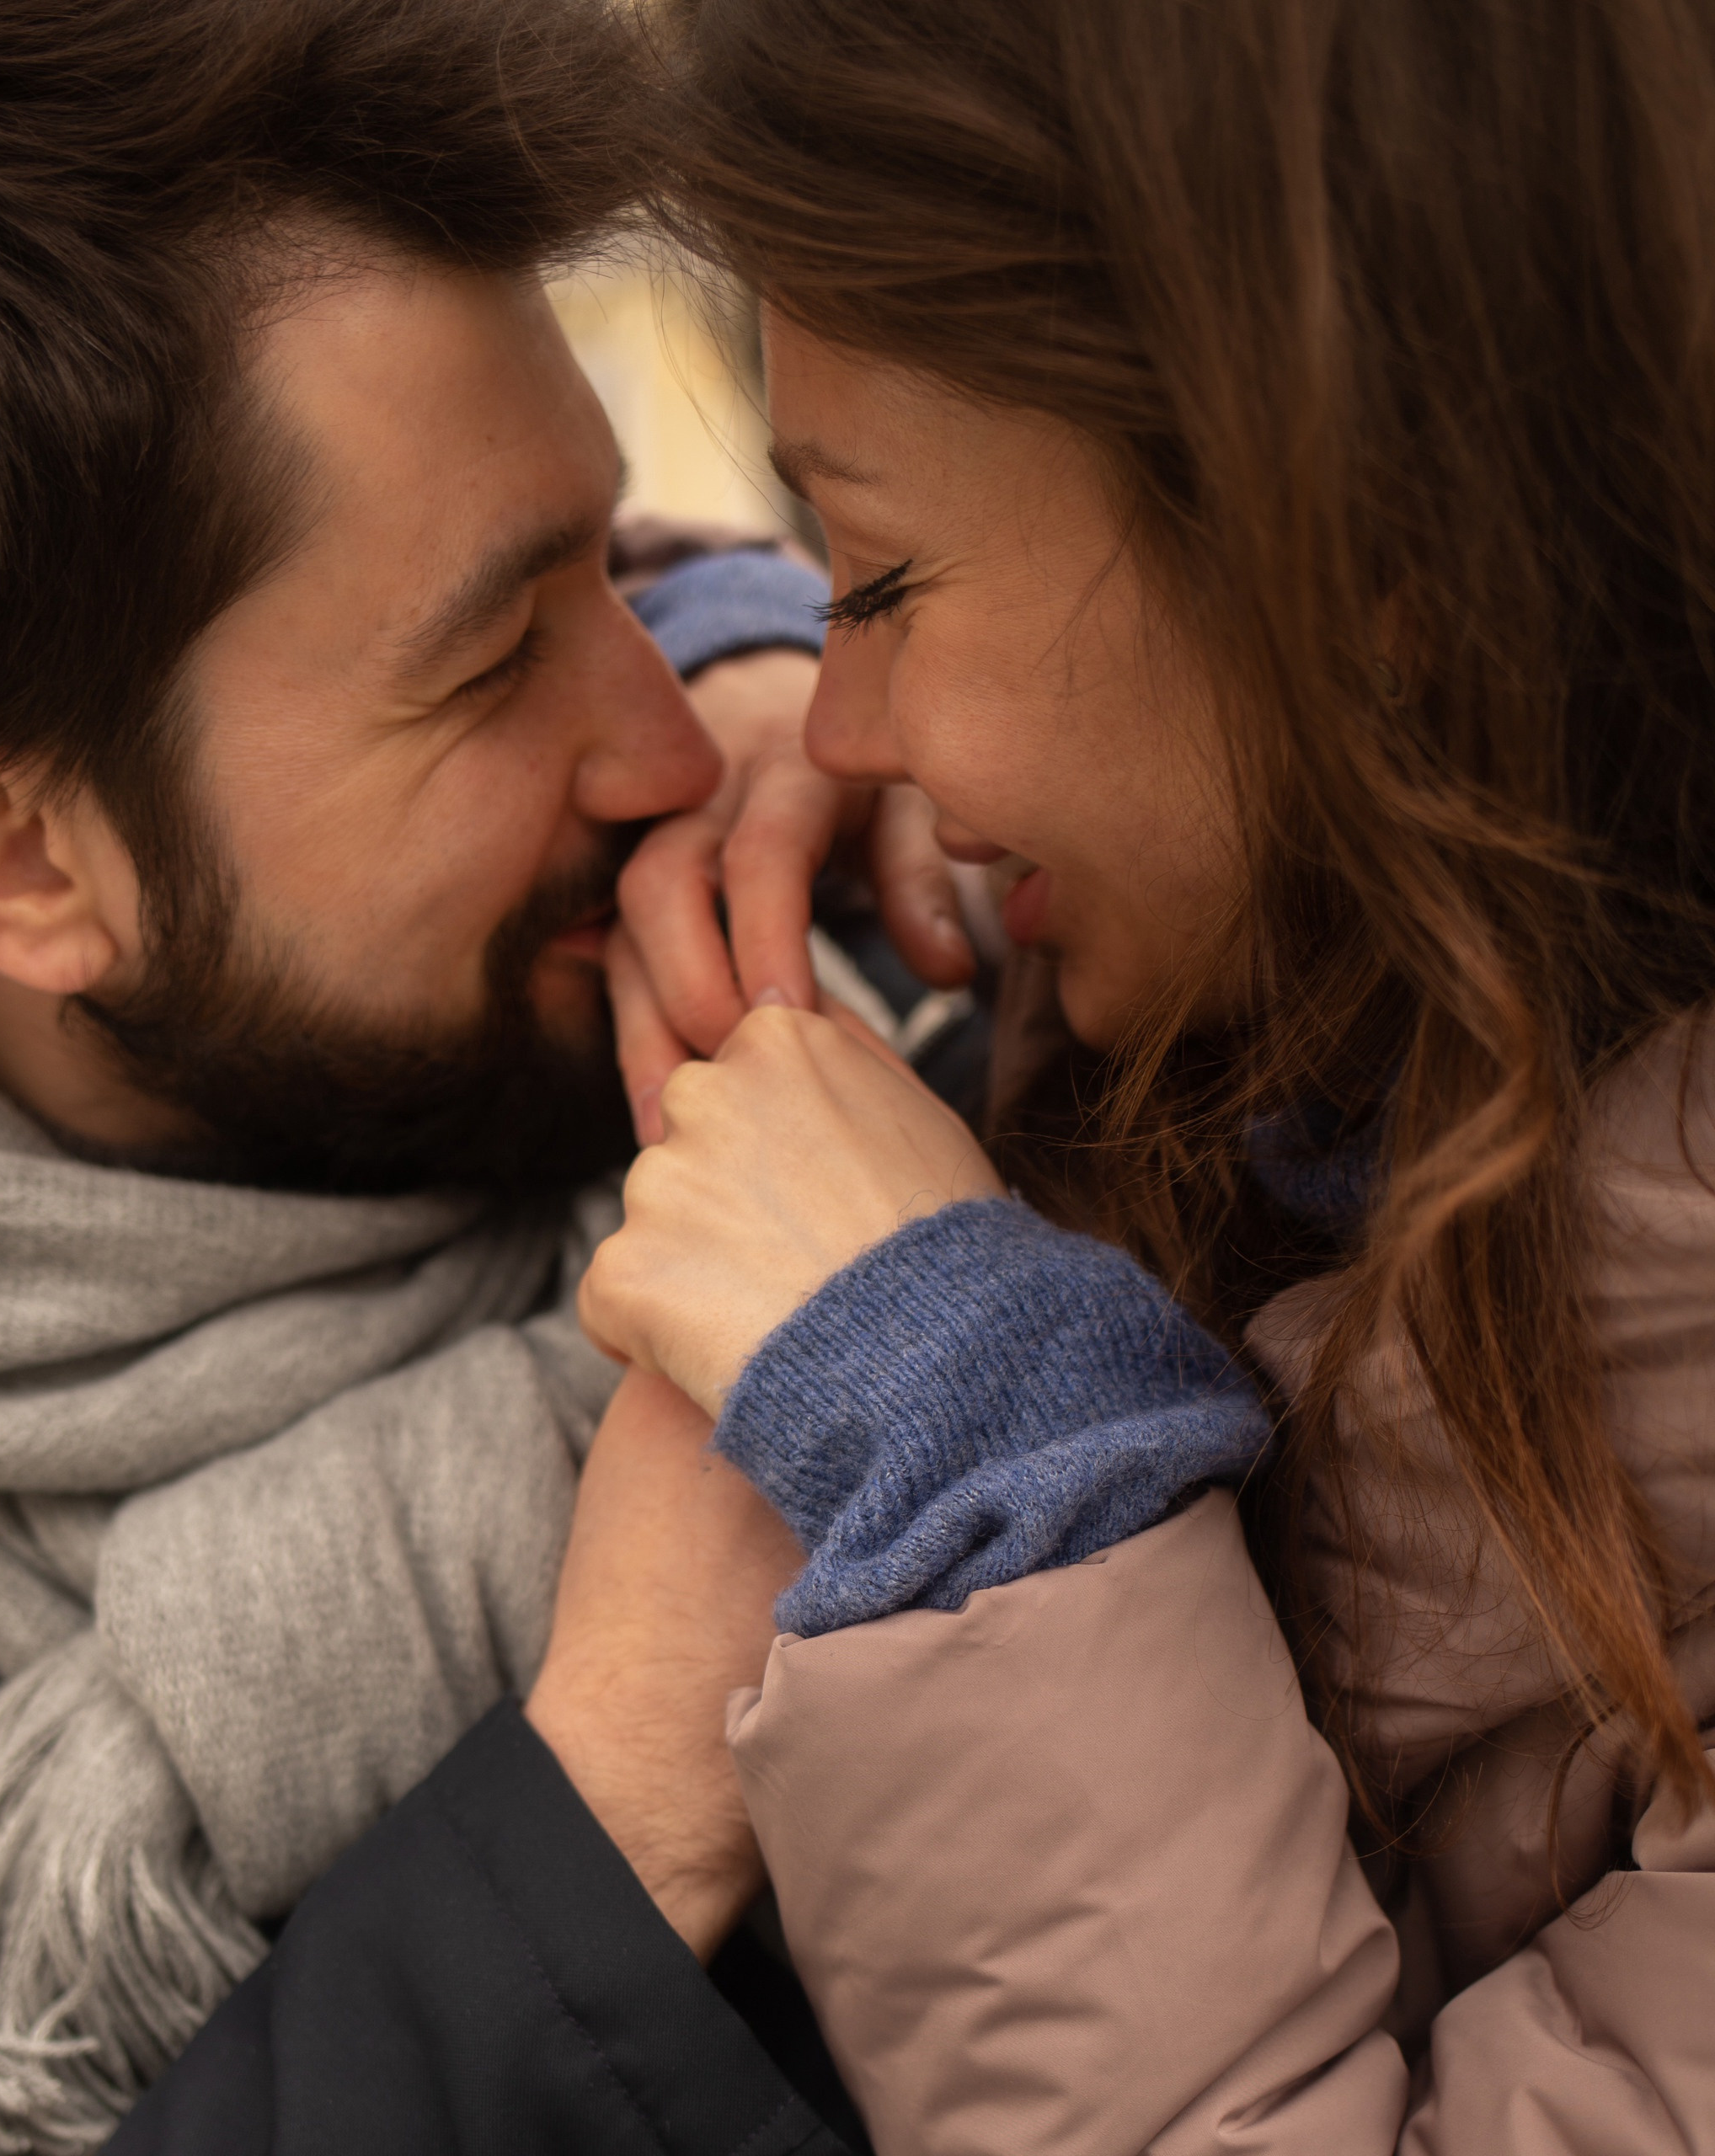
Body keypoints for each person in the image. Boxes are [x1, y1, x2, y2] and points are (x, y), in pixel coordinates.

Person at [0, 2, 967, 2148]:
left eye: (617, 563)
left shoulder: (823, 899)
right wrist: (606, 1810)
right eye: (500, 655)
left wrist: (786, 634)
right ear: (9, 856)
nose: (659, 743)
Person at [568, 0, 1715, 2149]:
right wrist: (718, 633)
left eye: (882, 580)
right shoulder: (1299, 1002)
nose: (840, 728)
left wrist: (994, 1464)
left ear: (1369, 549)